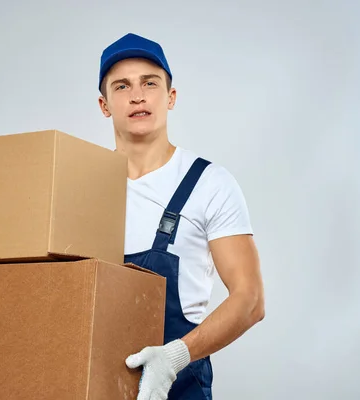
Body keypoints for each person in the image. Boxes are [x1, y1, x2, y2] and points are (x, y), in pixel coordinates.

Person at [97, 33, 265, 400]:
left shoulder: (209, 184)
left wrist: (174, 358)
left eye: (150, 83)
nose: (138, 95)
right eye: (122, 85)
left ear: (170, 97)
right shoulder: (81, 187)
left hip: (179, 389)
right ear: (104, 104)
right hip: (91, 384)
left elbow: (250, 299)